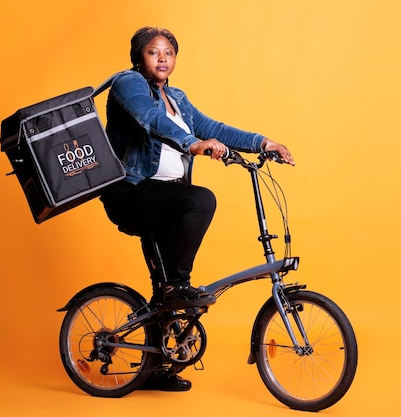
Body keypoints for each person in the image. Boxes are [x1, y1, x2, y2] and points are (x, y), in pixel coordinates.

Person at [99, 26, 295, 391]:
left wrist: (263, 142)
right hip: (132, 193)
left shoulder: (176, 97)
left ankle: (157, 369)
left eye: (169, 53)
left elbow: (210, 125)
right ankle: (178, 284)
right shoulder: (127, 84)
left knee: (163, 295)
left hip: (166, 198)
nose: (162, 58)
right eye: (154, 52)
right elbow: (149, 120)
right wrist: (192, 145)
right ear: (139, 57)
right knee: (202, 200)